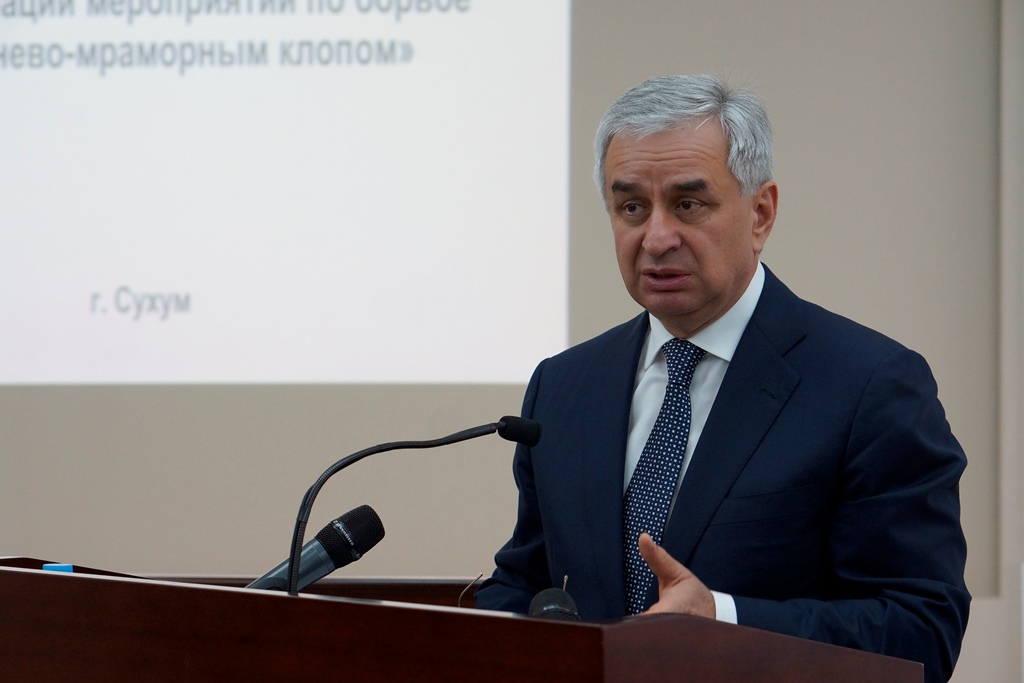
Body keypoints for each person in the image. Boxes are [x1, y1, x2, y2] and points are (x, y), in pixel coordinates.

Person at [474, 74, 970, 683]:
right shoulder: (564, 385)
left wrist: (721, 618)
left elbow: (921, 632)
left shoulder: (871, 385)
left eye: (688, 205)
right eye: (632, 207)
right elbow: (529, 582)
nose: (657, 238)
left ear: (761, 214)